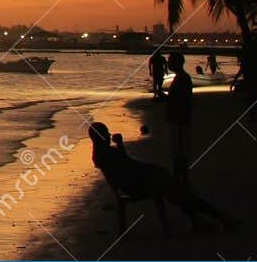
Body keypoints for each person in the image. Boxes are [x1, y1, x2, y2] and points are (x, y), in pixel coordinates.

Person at [87, 122, 235, 235]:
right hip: (137, 185)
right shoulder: (105, 154)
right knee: (177, 192)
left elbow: (127, 166)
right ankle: (215, 217)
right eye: (106, 133)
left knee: (177, 192)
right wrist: (120, 146)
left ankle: (205, 219)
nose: (109, 134)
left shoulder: (102, 153)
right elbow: (128, 164)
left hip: (136, 182)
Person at [166, 52, 193, 183]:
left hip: (179, 118)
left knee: (178, 149)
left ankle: (179, 178)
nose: (168, 63)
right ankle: (181, 177)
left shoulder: (182, 78)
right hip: (180, 117)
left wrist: (168, 99)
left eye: (170, 61)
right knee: (179, 149)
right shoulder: (182, 77)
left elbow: (182, 99)